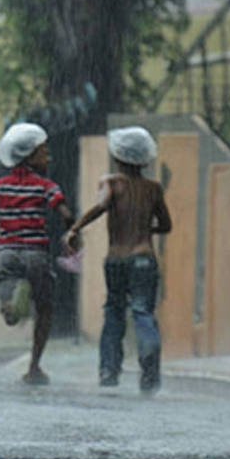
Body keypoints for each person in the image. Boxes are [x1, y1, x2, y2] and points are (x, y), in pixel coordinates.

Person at [64, 126, 172, 394]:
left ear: (118, 157)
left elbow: (101, 206)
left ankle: (109, 370)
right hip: (145, 258)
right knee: (143, 312)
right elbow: (166, 225)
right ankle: (149, 361)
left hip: (116, 260)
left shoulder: (111, 183)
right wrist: (146, 230)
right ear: (145, 159)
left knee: (114, 313)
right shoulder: (154, 189)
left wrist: (75, 228)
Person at [0, 123, 75, 385]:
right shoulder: (46, 186)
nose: (49, 157)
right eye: (44, 152)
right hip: (36, 253)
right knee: (44, 309)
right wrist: (71, 234)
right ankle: (34, 367)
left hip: (8, 252)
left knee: (7, 292)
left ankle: (10, 306)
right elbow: (66, 214)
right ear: (29, 155)